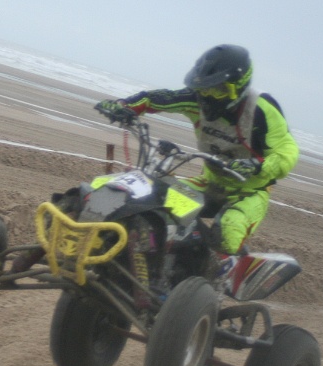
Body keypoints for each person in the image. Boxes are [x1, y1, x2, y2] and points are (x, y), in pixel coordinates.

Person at [96, 44, 299, 271]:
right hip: (209, 184)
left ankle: (215, 284)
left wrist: (257, 167)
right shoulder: (195, 99)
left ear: (237, 88)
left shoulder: (261, 109)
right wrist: (124, 106)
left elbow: (286, 152)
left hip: (249, 193)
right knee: (159, 203)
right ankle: (163, 265)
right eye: (205, 89)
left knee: (229, 231)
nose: (208, 97)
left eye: (218, 90)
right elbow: (156, 99)